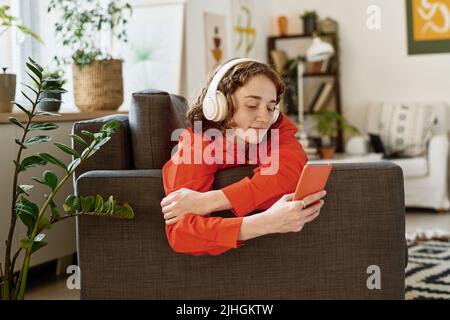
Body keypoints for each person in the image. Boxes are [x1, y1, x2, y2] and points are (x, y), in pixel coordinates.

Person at [161, 58, 326, 256]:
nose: (264, 117)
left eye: (270, 107)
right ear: (219, 105)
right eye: (252, 105)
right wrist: (265, 223)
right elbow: (182, 235)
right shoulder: (196, 146)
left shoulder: (276, 127)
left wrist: (210, 200)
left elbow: (288, 175)